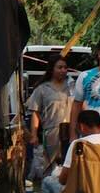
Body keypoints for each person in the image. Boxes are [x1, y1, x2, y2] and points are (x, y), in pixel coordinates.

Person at [25, 52, 72, 182]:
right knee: (50, 167)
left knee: (69, 164)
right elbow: (35, 112)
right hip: (51, 132)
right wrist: (34, 135)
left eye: (65, 67)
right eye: (59, 67)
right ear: (52, 69)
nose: (63, 70)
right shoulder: (42, 89)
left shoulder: (72, 87)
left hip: (71, 131)